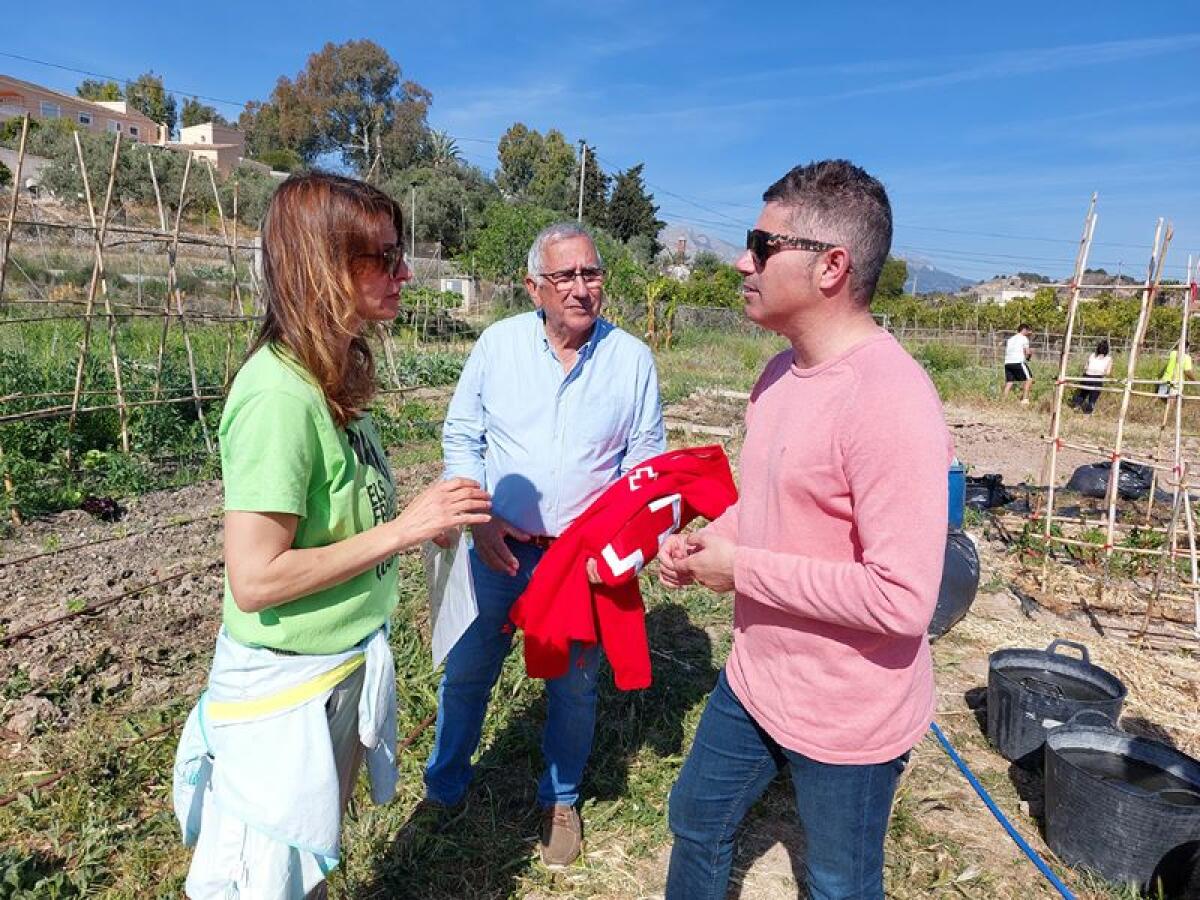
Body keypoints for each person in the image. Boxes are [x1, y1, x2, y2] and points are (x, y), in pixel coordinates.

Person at [174, 172, 492, 900]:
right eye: (381, 257)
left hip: (333, 671)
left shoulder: (331, 376)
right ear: (323, 266)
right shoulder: (278, 397)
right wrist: (404, 531)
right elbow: (256, 580)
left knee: (301, 866)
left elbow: (341, 516)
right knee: (265, 876)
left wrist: (414, 523)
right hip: (289, 689)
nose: (403, 272)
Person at [657, 160, 952, 900]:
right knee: (695, 819)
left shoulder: (891, 403)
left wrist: (742, 570)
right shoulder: (779, 376)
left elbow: (902, 601)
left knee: (837, 882)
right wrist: (705, 544)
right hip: (758, 677)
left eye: (762, 243)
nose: (741, 259)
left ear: (830, 266)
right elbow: (764, 510)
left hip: (848, 713)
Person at [423, 222, 666, 868]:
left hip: (577, 562)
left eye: (592, 274)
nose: (583, 288)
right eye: (567, 277)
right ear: (535, 287)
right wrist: (478, 516)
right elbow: (461, 436)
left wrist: (617, 543)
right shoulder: (499, 346)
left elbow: (645, 463)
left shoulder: (631, 361)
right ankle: (443, 783)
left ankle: (560, 799)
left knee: (574, 686)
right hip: (497, 548)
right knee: (469, 671)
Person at [1068, 340, 1112, 414]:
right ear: (1107, 350)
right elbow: (1107, 373)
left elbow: (1085, 368)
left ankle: (1077, 406)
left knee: (1082, 393)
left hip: (1086, 376)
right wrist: (1100, 372)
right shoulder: (1108, 359)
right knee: (1094, 395)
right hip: (1097, 378)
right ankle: (1089, 410)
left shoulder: (1092, 355)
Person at [1003, 322, 1034, 404]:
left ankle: (1003, 400)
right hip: (1018, 361)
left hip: (1007, 362)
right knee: (1029, 379)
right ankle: (1025, 399)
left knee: (1009, 382)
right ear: (1024, 330)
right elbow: (1027, 352)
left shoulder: (1010, 339)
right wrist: (1030, 355)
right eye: (1027, 331)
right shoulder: (1024, 338)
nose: (1028, 333)